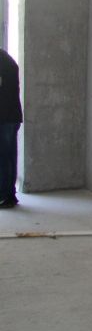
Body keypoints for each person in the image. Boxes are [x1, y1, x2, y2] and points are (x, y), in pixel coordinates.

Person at [0, 47, 22, 209]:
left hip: (6, 117)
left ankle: (5, 195)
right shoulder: (6, 59)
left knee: (4, 157)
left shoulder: (3, 62)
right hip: (9, 117)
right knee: (8, 156)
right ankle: (9, 194)